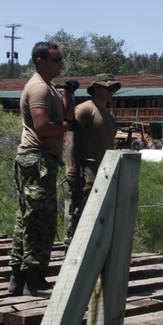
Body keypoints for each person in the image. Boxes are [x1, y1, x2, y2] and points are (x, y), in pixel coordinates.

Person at [8, 41, 80, 298]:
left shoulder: (47, 86)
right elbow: (43, 126)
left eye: (61, 58)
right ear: (40, 61)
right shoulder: (39, 87)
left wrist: (68, 96)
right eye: (56, 59)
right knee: (41, 222)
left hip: (39, 161)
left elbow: (61, 113)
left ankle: (18, 277)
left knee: (27, 219)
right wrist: (68, 127)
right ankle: (34, 280)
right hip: (37, 160)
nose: (61, 62)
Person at [64, 74, 121, 245]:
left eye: (114, 88)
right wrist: (72, 168)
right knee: (82, 210)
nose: (111, 91)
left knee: (100, 211)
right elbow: (70, 138)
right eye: (107, 87)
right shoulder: (85, 109)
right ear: (96, 88)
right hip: (87, 168)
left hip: (105, 169)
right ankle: (73, 245)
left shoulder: (108, 116)